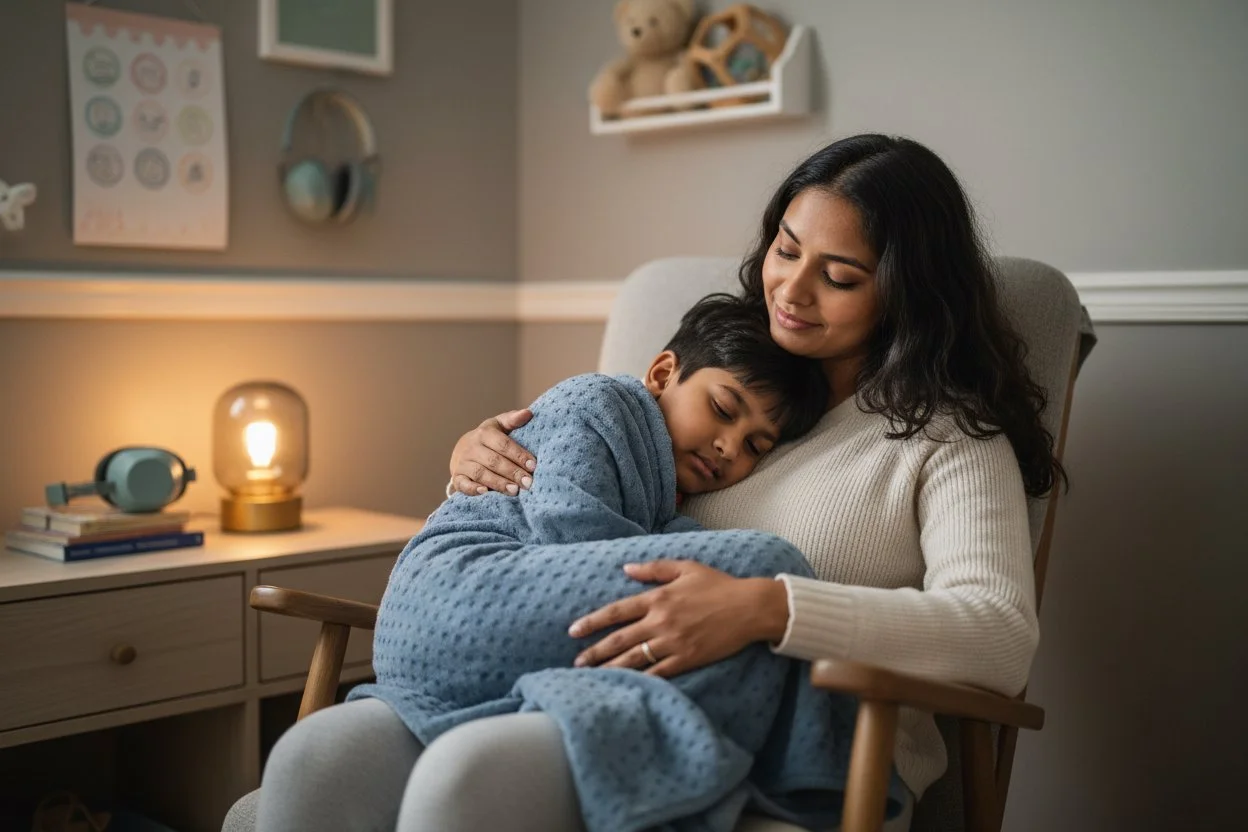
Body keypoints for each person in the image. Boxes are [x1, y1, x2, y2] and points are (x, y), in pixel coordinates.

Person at [254, 133, 1058, 832]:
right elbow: (585, 487)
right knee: (319, 756)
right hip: (571, 664)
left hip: (751, 718)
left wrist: (769, 606)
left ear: (907, 290)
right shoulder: (738, 369)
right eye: (786, 248)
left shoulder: (945, 435)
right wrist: (483, 455)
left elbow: (998, 635)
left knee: (473, 775)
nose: (791, 289)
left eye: (839, 276)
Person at [257, 296, 843, 832]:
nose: (729, 447)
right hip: (454, 591)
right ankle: (772, 772)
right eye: (722, 409)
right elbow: (572, 533)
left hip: (461, 654)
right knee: (766, 566)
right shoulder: (599, 401)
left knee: (732, 589)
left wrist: (676, 535)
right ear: (663, 374)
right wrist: (687, 547)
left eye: (755, 446)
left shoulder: (660, 490)